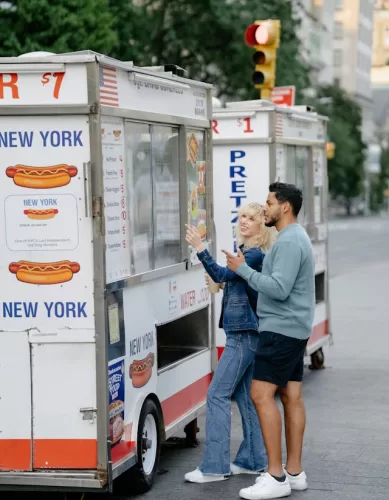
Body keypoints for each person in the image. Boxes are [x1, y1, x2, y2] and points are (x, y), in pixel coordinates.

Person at [222, 183, 315, 500]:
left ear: (285, 207)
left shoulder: (289, 241)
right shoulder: (294, 237)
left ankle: (275, 476)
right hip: (293, 327)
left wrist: (243, 270)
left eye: (269, 203)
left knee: (261, 394)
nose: (265, 208)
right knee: (291, 396)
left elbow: (278, 288)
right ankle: (294, 472)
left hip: (281, 329)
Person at [184, 202, 276, 484]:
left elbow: (222, 274)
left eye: (252, 218)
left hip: (243, 335)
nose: (245, 221)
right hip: (246, 333)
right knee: (246, 398)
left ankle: (214, 467)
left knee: (217, 394)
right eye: (243, 217)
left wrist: (201, 249)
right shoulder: (247, 253)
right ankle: (252, 460)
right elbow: (230, 281)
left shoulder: (254, 255)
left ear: (262, 226)